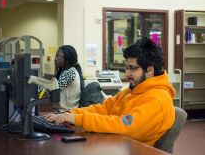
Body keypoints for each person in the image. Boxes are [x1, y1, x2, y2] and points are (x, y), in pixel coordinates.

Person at [45, 37, 175, 146]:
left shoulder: (157, 99)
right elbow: (103, 109)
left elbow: (124, 125)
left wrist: (78, 119)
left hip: (131, 149)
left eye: (133, 68)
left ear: (150, 70)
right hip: (115, 145)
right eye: (126, 68)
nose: (127, 73)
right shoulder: (131, 91)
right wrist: (70, 114)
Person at [54, 45, 84, 111]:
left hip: (65, 112)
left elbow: (53, 91)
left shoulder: (69, 72)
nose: (55, 59)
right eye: (55, 56)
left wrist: (35, 89)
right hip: (64, 110)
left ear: (67, 59)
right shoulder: (69, 70)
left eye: (58, 56)